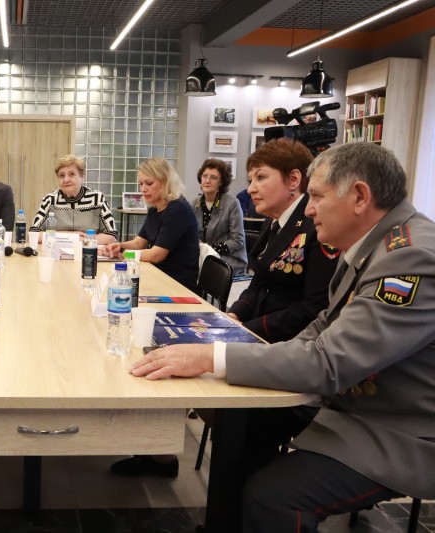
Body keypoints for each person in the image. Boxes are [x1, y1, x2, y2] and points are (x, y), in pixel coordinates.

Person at [129, 142, 435, 533]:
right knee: (246, 420)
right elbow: (324, 324)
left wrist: (210, 356)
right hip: (350, 402)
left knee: (272, 497)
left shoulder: (409, 258)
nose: (308, 209)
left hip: (397, 431)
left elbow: (329, 361)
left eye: (318, 196)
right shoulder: (374, 243)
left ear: (360, 197)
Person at [227, 138, 339, 342]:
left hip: (289, 342)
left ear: (293, 180)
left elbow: (314, 308)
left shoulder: (316, 224)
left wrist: (247, 330)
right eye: (251, 180)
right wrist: (234, 315)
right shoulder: (274, 220)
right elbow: (259, 282)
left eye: (260, 177)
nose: (250, 189)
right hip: (258, 328)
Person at [100, 158, 199, 291]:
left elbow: (156, 255)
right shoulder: (155, 206)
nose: (143, 189)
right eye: (141, 184)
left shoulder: (178, 209)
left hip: (176, 283)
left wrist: (123, 253)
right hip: (158, 274)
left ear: (165, 182)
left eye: (149, 183)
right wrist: (119, 246)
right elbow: (138, 243)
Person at [29, 155, 118, 244]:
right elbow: (33, 234)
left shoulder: (97, 198)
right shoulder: (50, 200)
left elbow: (112, 236)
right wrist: (70, 236)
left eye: (71, 174)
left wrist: (83, 240)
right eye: (61, 175)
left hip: (88, 250)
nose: (66, 180)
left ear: (82, 177)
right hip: (57, 251)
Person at [192, 158, 248, 275]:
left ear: (221, 182)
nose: (207, 180)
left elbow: (237, 240)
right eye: (204, 176)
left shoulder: (232, 203)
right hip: (203, 258)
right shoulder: (194, 203)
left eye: (213, 177)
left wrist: (207, 249)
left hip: (228, 259)